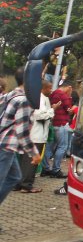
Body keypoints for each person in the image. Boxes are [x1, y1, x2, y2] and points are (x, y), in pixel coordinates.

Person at [0, 68, 42, 221]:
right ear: (29, 81)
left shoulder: (13, 93)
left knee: (14, 177)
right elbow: (22, 131)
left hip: (6, 145)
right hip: (5, 146)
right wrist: (35, 154)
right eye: (39, 78)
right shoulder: (24, 100)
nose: (40, 82)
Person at [15, 80, 58, 192]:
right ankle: (27, 185)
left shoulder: (42, 98)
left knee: (26, 160)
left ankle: (19, 184)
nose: (51, 90)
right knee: (32, 161)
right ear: (43, 88)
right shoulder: (39, 98)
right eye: (49, 88)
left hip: (35, 134)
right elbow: (38, 115)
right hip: (36, 135)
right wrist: (53, 110)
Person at [41, 81, 73, 178]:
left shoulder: (52, 94)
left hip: (52, 124)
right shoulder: (64, 95)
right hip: (61, 124)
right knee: (62, 147)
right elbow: (69, 110)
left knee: (48, 147)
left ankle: (45, 168)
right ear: (69, 87)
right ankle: (56, 169)